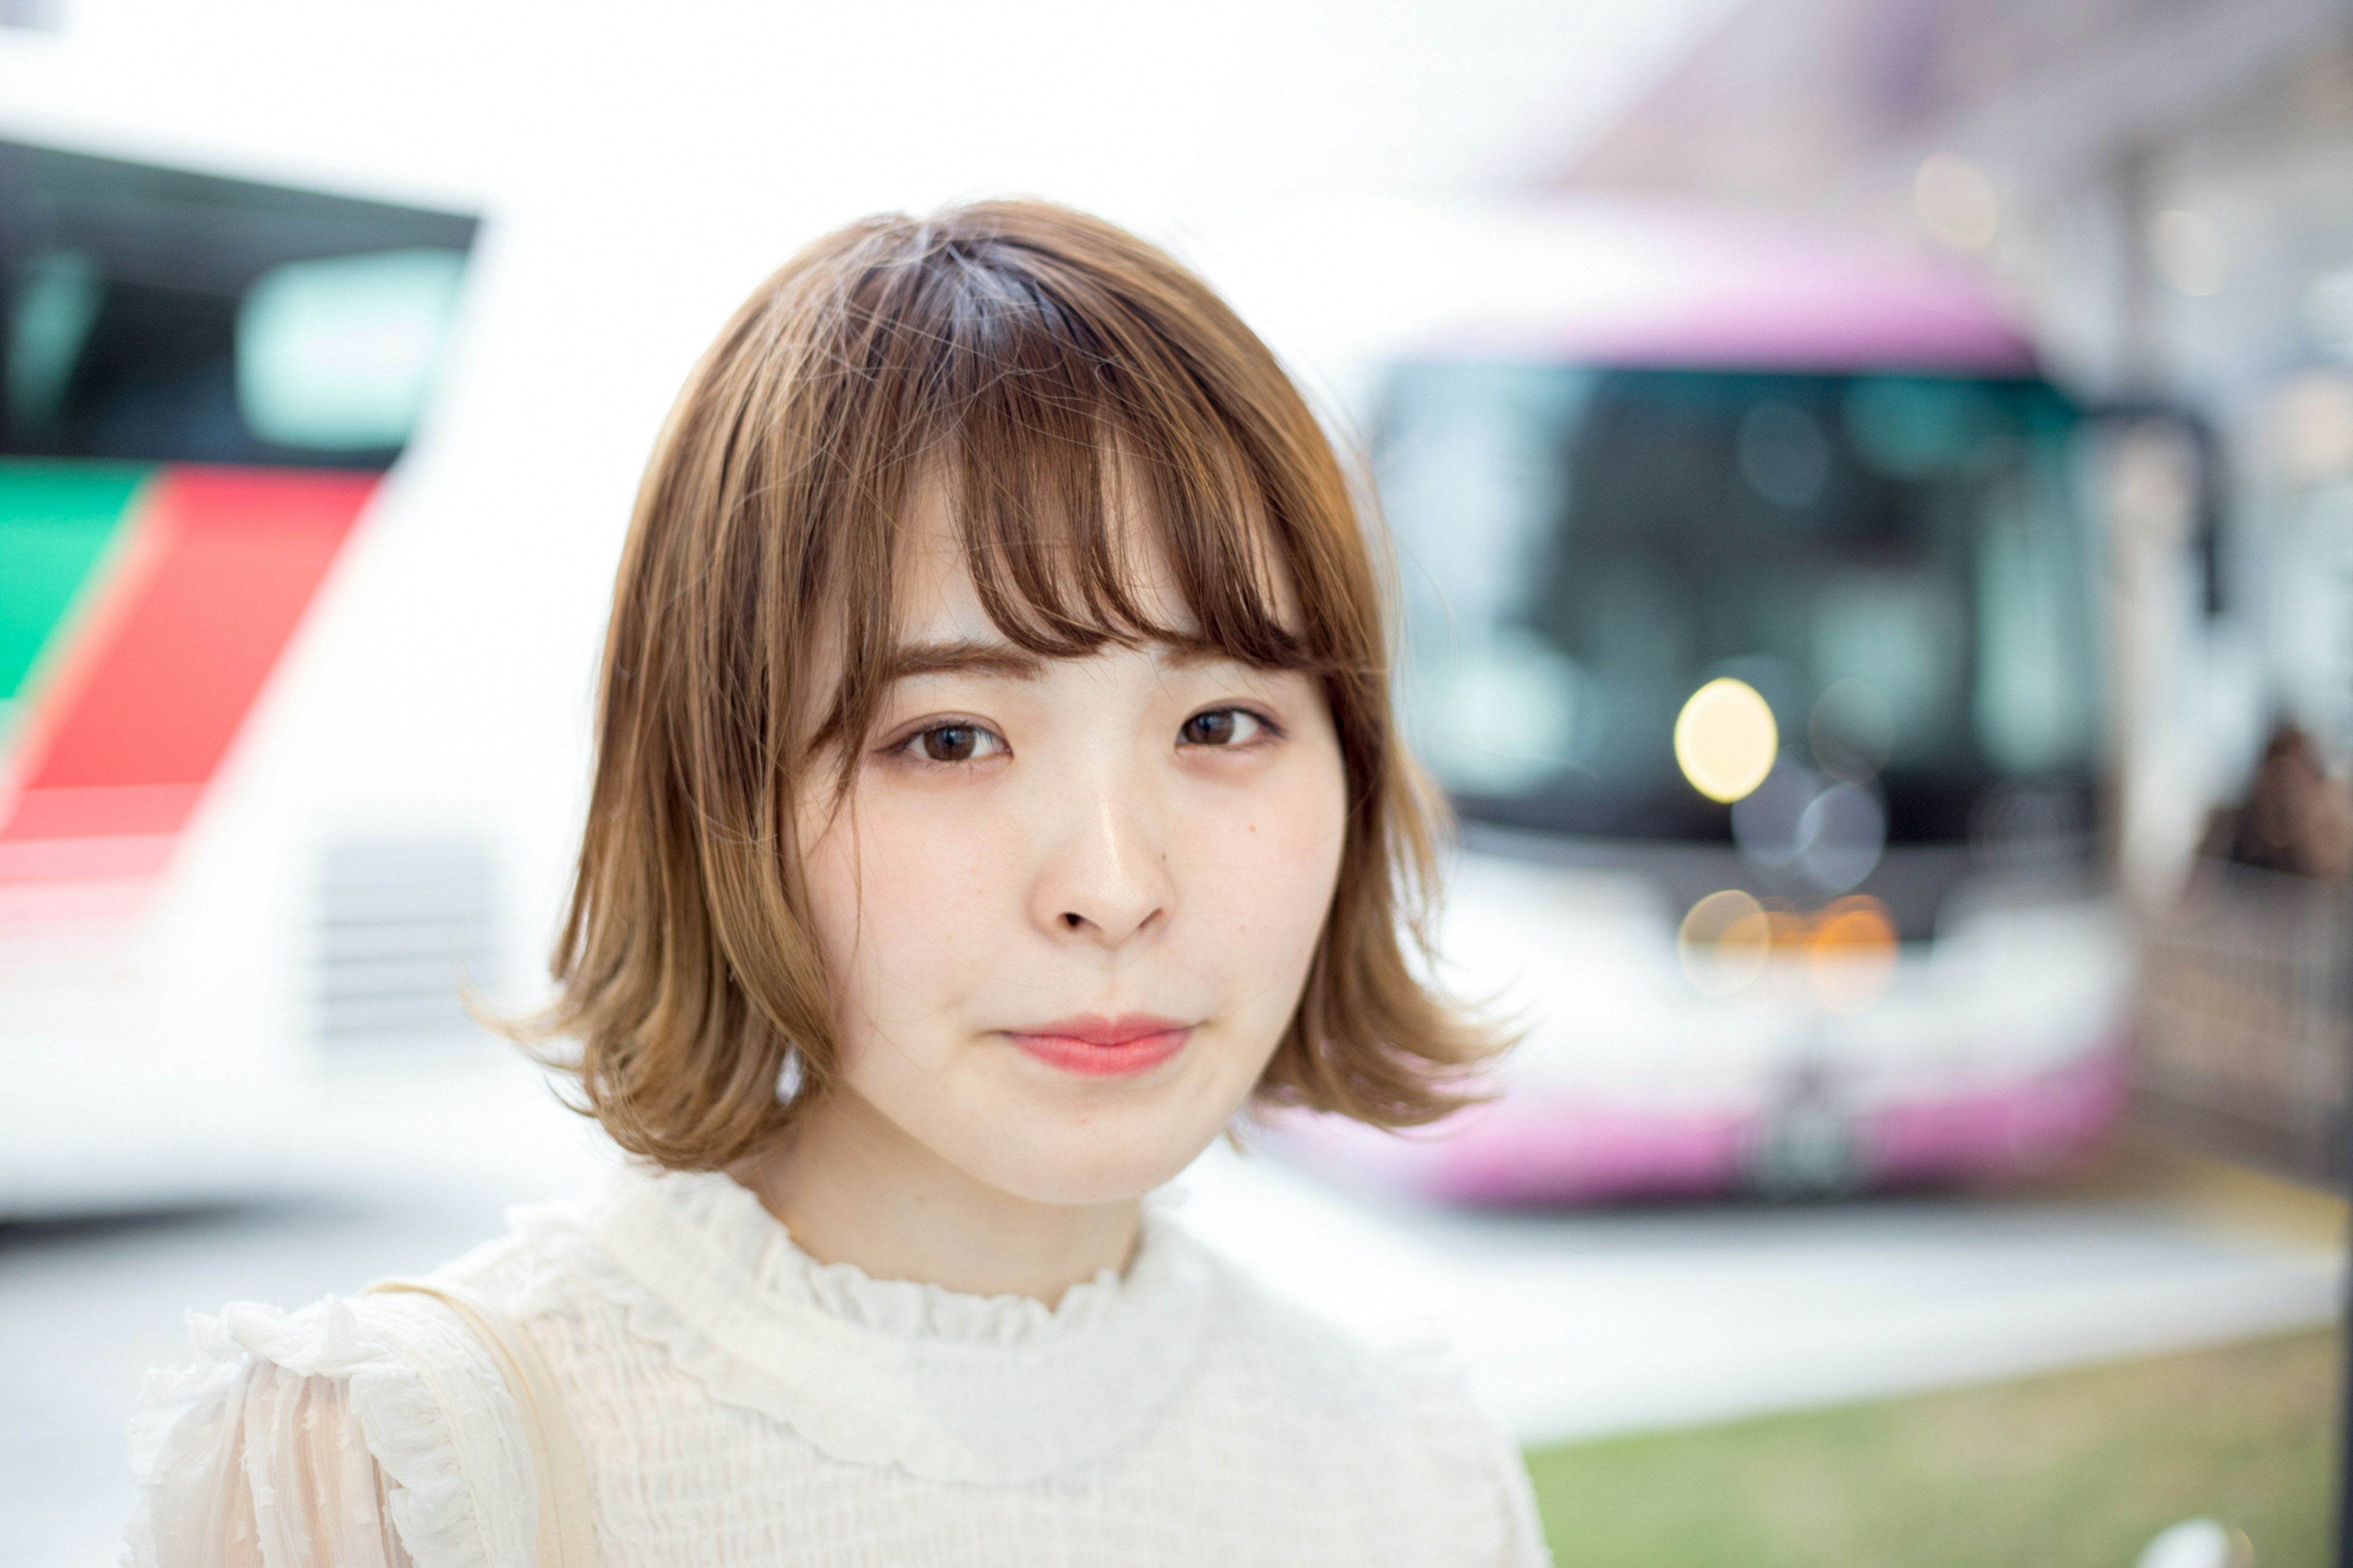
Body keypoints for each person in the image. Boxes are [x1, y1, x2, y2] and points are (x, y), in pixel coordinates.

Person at [125, 200, 1550, 1567]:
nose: (1114, 889)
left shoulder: (1412, 1478)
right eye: (949, 737)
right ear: (723, 792)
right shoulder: (400, 1470)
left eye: (1221, 725)